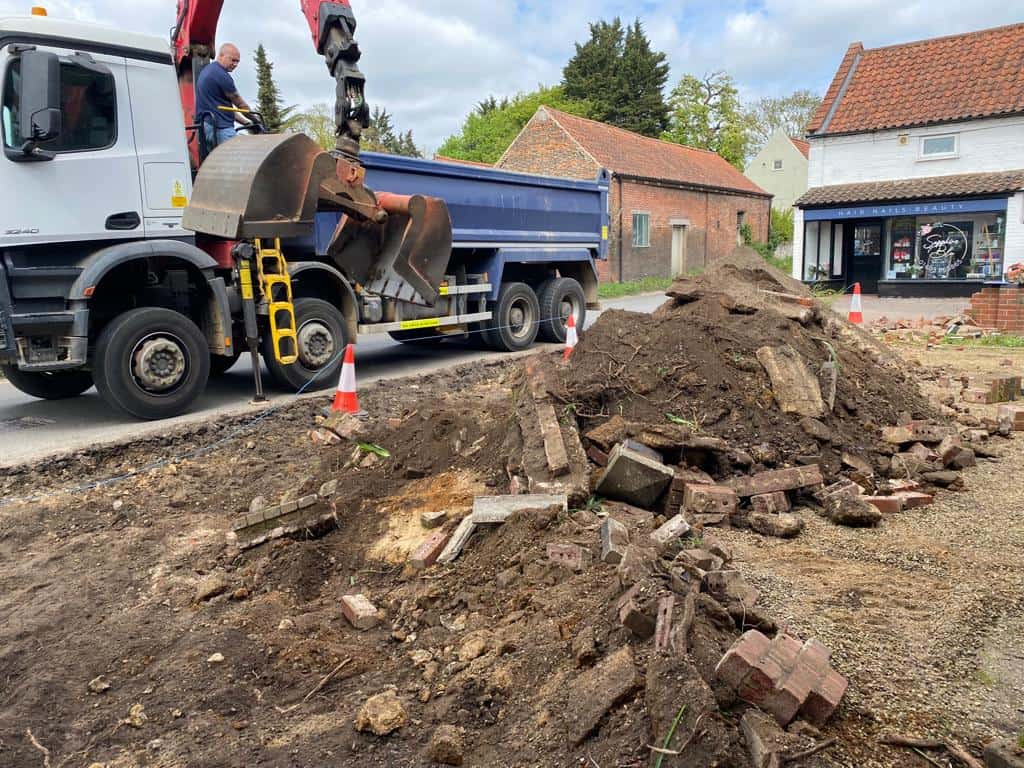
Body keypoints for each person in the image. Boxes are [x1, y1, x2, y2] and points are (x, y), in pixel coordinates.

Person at [195, 43, 252, 151]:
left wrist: (247, 123)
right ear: (221, 55)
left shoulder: (207, 71)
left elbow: (224, 109)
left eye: (237, 61)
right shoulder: (222, 76)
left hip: (205, 126)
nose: (235, 64)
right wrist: (256, 120)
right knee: (235, 162)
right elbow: (241, 105)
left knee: (213, 163)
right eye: (233, 60)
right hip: (220, 128)